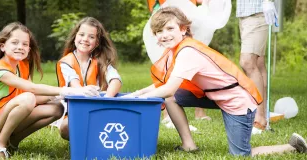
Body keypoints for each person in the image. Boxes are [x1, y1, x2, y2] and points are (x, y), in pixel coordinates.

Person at [126, 7, 307, 156]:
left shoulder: (188, 52)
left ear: (183, 29)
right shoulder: (176, 49)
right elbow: (164, 84)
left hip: (238, 103)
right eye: (158, 31)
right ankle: (189, 145)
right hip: (215, 96)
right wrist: (136, 93)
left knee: (241, 154)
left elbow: (168, 88)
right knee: (171, 98)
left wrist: (136, 98)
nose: (164, 35)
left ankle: (293, 146)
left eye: (169, 29)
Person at [0, 22, 100, 159]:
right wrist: (69, 91)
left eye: (25, 44)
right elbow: (31, 90)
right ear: (3, 46)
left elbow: (33, 96)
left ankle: (13, 141)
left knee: (56, 109)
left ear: (29, 49)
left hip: (6, 115)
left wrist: (57, 97)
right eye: (14, 43)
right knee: (28, 98)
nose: (20, 47)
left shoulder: (20, 65)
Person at [144, 0, 232, 126]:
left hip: (188, 16)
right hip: (165, 12)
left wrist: (205, 6)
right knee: (170, 64)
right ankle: (168, 114)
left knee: (191, 65)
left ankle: (199, 113)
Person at [55, 17, 122, 140]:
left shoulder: (101, 60)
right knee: (67, 127)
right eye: (81, 35)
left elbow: (115, 80)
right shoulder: (66, 62)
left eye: (91, 37)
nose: (85, 39)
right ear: (75, 37)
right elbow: (75, 85)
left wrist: (106, 100)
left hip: (101, 107)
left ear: (97, 42)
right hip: (74, 110)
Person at [236, 0, 278, 133]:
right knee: (258, 64)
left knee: (247, 62)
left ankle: (259, 118)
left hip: (258, 12)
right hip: (245, 14)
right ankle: (260, 114)